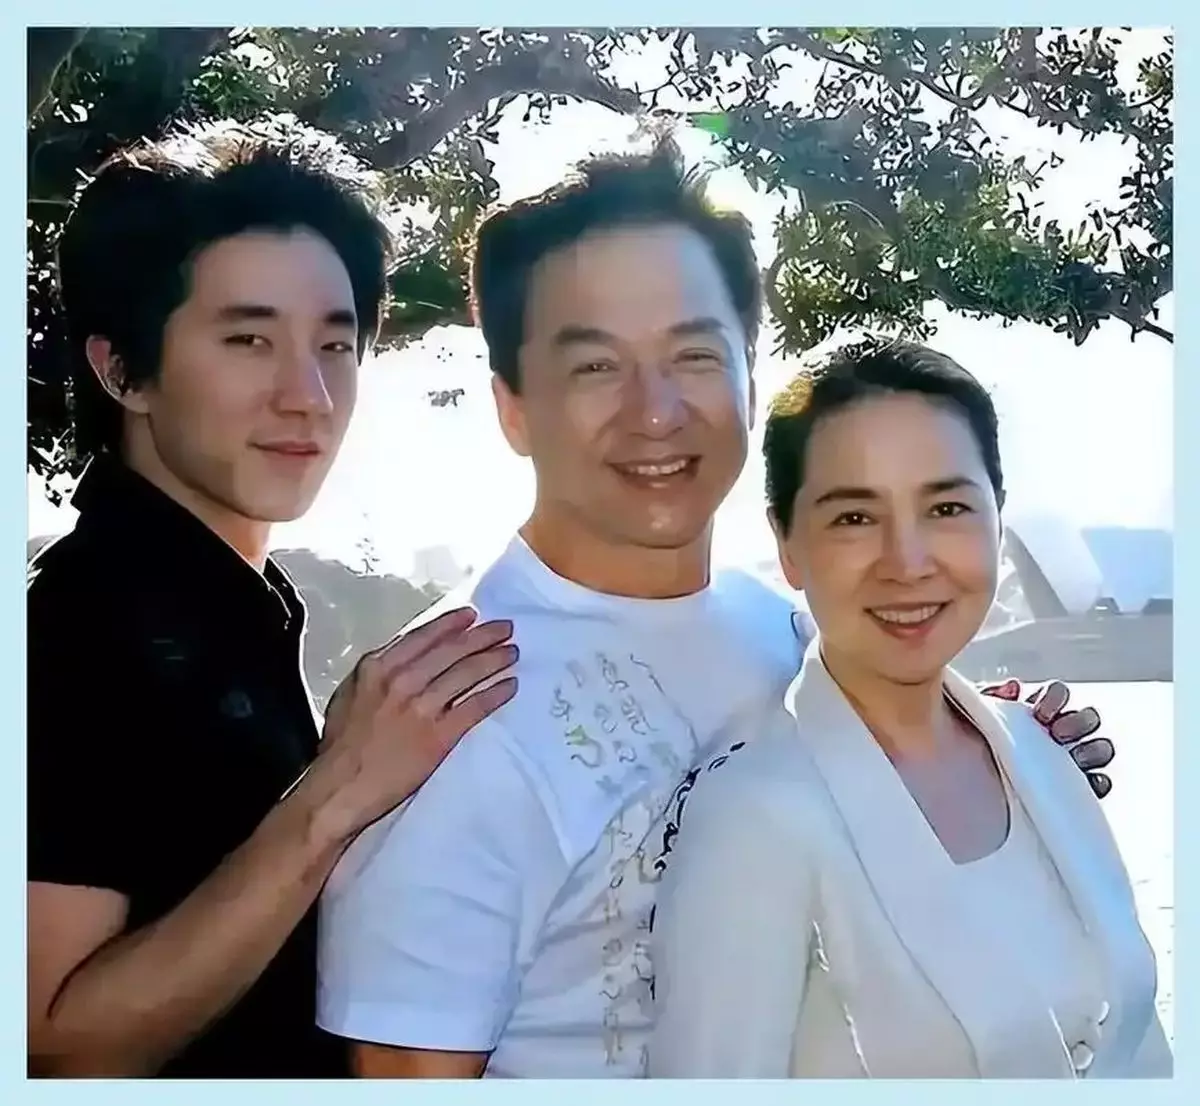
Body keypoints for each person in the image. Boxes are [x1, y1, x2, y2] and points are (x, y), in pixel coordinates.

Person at [315, 143, 1115, 1079]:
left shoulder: (785, 632)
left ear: (749, 376)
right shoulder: (449, 712)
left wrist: (1009, 766)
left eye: (694, 355)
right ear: (513, 409)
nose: (656, 411)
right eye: (596, 366)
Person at [26, 124, 518, 1078]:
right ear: (121, 369)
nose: (310, 395)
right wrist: (337, 793)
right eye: (249, 340)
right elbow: (50, 1048)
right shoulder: (74, 633)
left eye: (335, 344)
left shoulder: (233, 612)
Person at [648, 338, 1171, 1079]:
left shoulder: (1041, 754)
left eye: (947, 507)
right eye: (854, 518)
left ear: (997, 518)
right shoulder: (754, 815)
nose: (908, 562)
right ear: (787, 544)